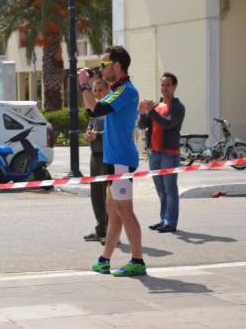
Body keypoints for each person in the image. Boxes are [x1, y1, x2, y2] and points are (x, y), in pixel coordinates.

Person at [78, 45, 146, 277]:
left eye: (105, 65)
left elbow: (96, 108)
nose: (102, 69)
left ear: (116, 66)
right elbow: (91, 111)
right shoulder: (116, 89)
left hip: (120, 161)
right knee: (113, 211)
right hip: (112, 159)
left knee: (125, 210)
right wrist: (85, 87)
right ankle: (104, 259)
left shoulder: (125, 90)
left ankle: (137, 260)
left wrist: (84, 85)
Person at [138, 72, 185, 233]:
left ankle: (170, 222)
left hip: (169, 154)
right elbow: (142, 125)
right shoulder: (157, 106)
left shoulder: (178, 107)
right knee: (161, 190)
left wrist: (151, 110)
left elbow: (168, 124)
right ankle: (163, 219)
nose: (164, 88)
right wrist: (143, 112)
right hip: (155, 153)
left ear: (174, 87)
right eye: (162, 84)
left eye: (168, 85)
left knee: (170, 190)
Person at [83, 78, 110, 244]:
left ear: (107, 91)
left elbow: (113, 132)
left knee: (108, 197)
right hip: (95, 155)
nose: (98, 93)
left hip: (107, 156)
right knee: (95, 195)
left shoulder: (109, 109)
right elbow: (90, 127)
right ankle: (100, 228)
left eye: (101, 90)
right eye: (95, 91)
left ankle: (110, 232)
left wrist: (97, 135)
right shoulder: (95, 110)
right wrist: (88, 134)